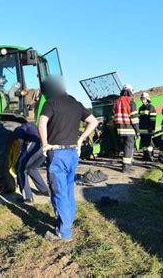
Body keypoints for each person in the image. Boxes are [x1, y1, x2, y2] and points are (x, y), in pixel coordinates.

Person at [38, 76, 98, 241]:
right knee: (68, 189)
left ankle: (63, 233)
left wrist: (45, 145)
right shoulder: (75, 103)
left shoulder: (50, 103)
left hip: (57, 153)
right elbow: (93, 122)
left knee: (59, 192)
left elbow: (42, 123)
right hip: (72, 153)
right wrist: (80, 139)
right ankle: (66, 222)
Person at [15, 122, 49, 204]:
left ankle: (27, 197)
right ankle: (45, 191)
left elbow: (20, 140)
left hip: (35, 145)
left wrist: (20, 154)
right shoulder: (34, 126)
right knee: (31, 168)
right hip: (45, 147)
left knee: (20, 168)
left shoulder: (21, 127)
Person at [113, 84, 139, 172]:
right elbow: (134, 119)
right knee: (129, 148)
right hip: (129, 129)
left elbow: (114, 115)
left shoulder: (116, 101)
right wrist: (137, 130)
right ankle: (126, 168)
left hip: (120, 130)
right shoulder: (131, 101)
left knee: (125, 147)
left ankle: (127, 165)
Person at [138, 92, 157, 162]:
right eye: (142, 99)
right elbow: (139, 119)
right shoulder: (140, 108)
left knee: (149, 144)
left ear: (147, 99)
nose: (142, 100)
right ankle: (145, 155)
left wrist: (151, 129)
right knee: (144, 144)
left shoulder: (151, 107)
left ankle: (150, 156)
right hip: (142, 130)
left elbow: (153, 119)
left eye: (144, 99)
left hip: (148, 129)